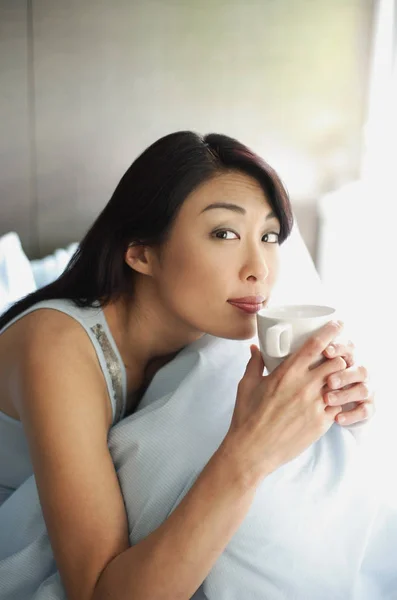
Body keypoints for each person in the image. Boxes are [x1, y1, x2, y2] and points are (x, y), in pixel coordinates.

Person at [0, 131, 374, 600]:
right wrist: (250, 453)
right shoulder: (57, 349)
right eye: (225, 234)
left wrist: (337, 409)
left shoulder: (206, 327)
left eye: (270, 236)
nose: (258, 267)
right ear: (140, 253)